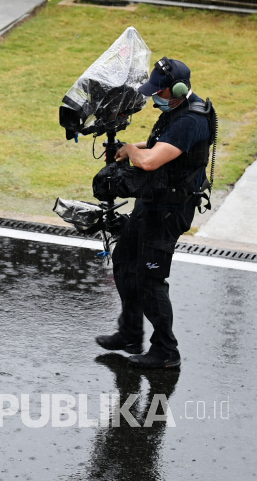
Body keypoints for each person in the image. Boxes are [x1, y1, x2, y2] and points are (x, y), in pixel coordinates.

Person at [96, 58, 215, 369]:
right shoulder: (178, 111)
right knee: (123, 260)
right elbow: (160, 146)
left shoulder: (191, 120)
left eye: (157, 92)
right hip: (153, 201)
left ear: (176, 89)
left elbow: (149, 162)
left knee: (151, 279)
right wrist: (131, 146)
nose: (153, 98)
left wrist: (134, 153)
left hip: (169, 210)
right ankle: (130, 333)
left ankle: (165, 351)